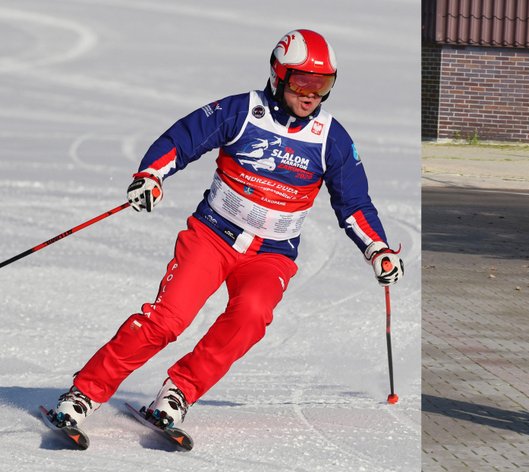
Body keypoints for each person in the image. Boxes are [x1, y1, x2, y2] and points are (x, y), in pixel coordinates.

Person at [46, 29, 404, 431]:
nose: (311, 95)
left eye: (323, 85)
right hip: (212, 237)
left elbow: (354, 203)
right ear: (278, 75)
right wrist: (151, 175)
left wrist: (378, 249)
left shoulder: (331, 139)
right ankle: (85, 393)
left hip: (271, 254)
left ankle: (179, 391)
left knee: (251, 316)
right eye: (303, 82)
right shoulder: (241, 111)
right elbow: (183, 138)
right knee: (167, 321)